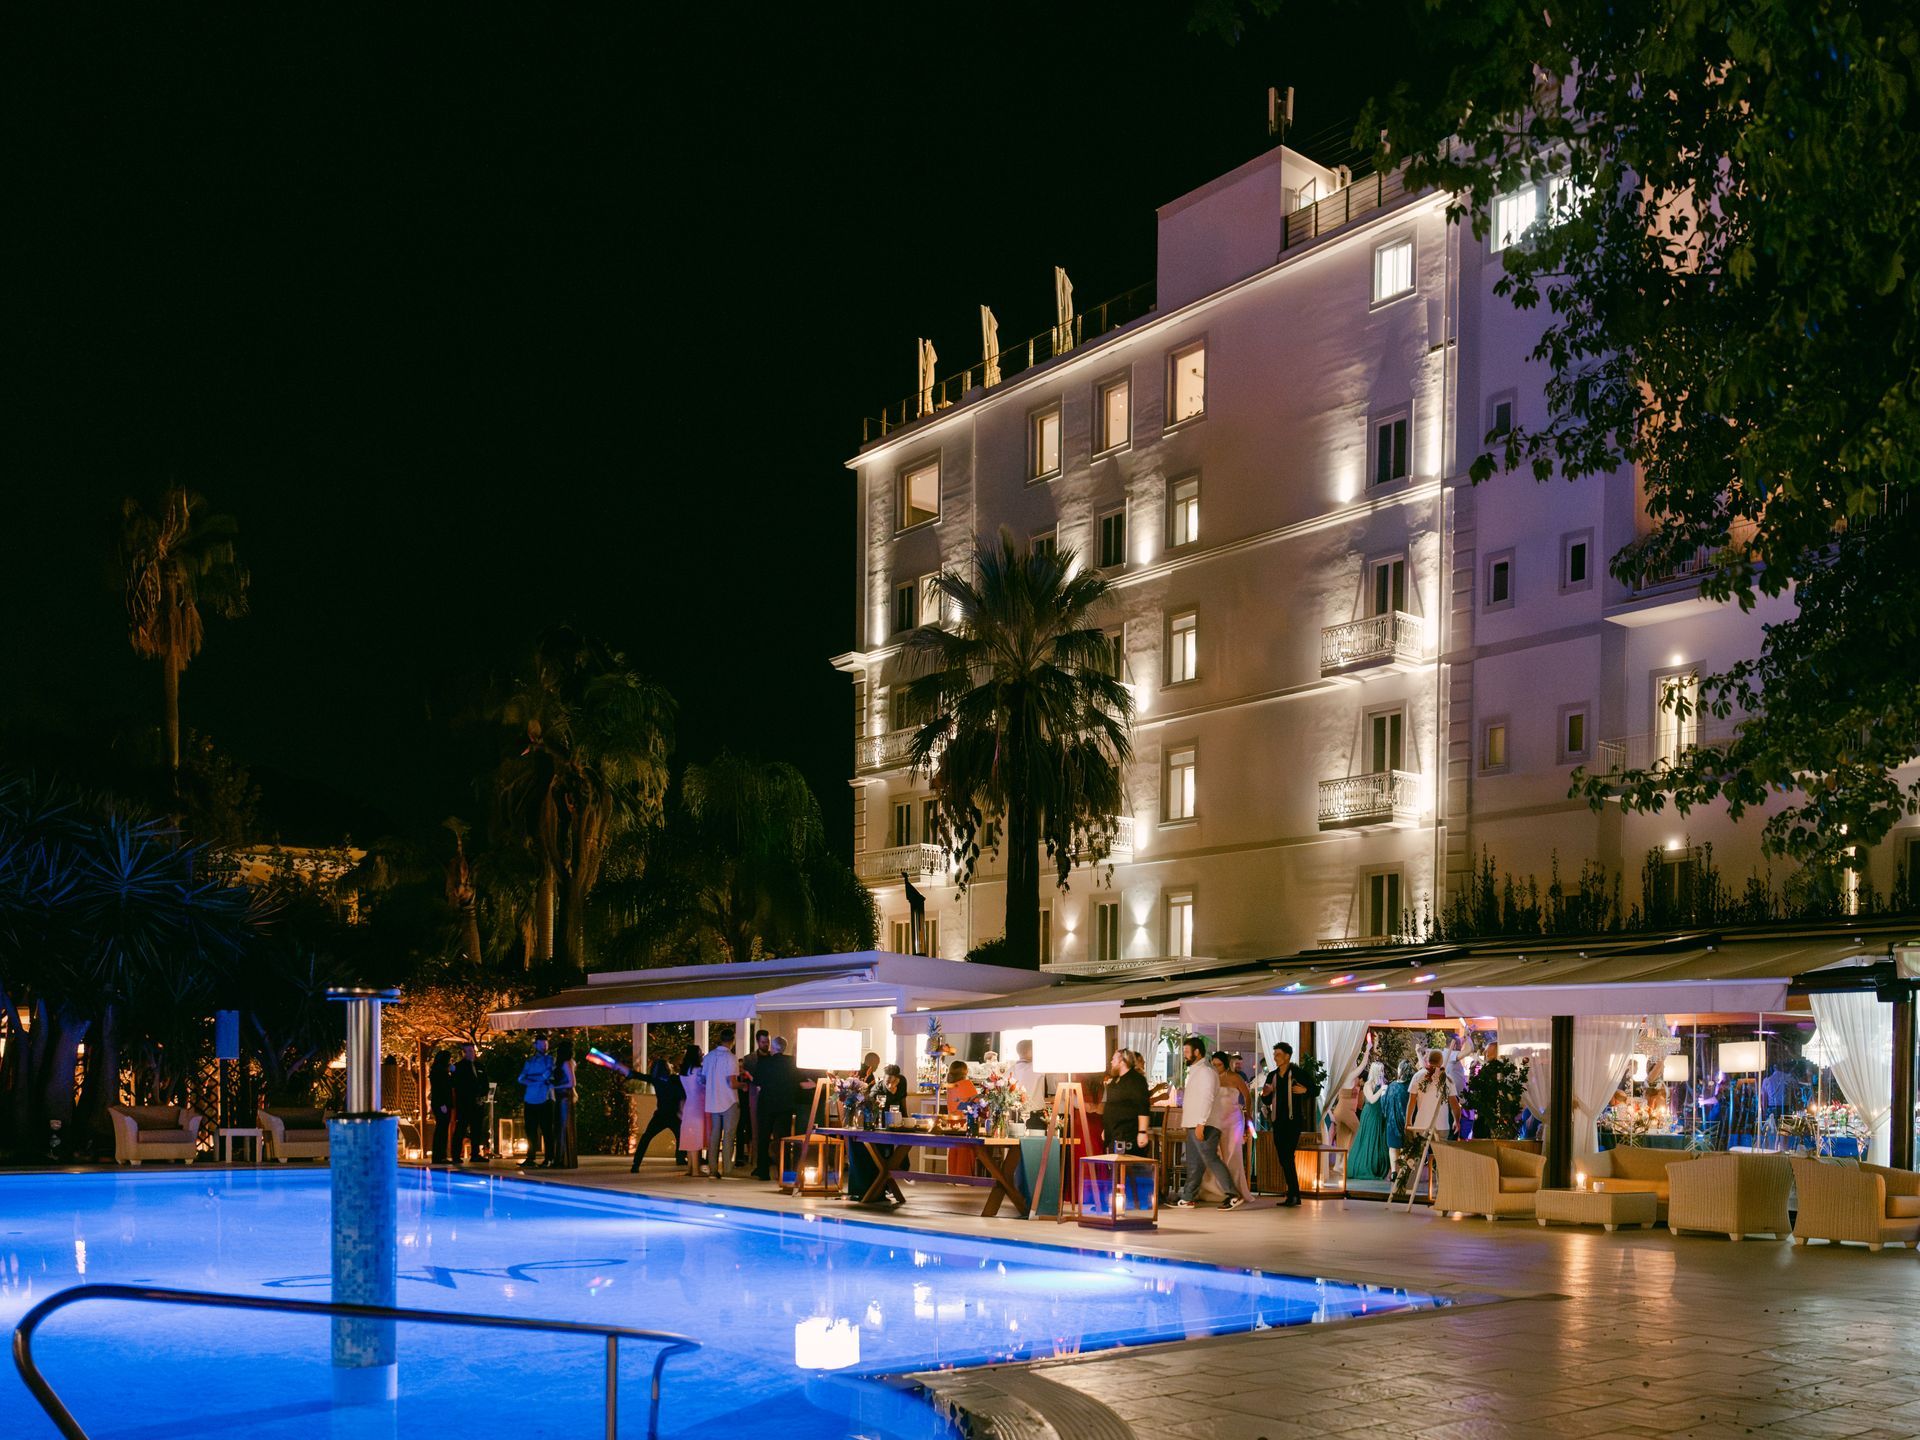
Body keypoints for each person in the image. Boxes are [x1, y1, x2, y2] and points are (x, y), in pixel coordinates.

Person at [1173, 1035, 1245, 1210]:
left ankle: (1233, 1194)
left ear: (1197, 1052)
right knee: (1194, 1162)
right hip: (1195, 1122)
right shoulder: (1198, 1071)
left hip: (1205, 1123)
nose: (1185, 1055)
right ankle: (1188, 1196)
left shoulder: (1206, 1071)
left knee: (1210, 1158)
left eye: (1187, 1052)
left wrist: (1201, 1122)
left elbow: (1207, 1097)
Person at [1260, 1041, 1311, 1206]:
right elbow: (1266, 1099)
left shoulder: (1297, 1073)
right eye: (1274, 1054)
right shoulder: (1272, 1076)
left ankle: (1294, 1194)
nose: (1275, 1058)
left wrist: (1306, 1090)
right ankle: (1293, 1194)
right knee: (1284, 1158)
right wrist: (1265, 1094)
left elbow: (1314, 1089)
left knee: (1287, 1156)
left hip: (1293, 1121)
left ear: (1287, 1056)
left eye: (1278, 1054)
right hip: (1277, 1122)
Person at [750, 1036, 802, 1182]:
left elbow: (757, 1081)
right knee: (783, 1139)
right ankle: (784, 1171)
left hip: (766, 1104)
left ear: (773, 1048)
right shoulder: (792, 1062)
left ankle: (763, 1170)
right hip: (785, 1105)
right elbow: (797, 1081)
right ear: (784, 1048)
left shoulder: (764, 1062)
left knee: (764, 1137)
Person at [629, 1055, 683, 1172]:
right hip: (674, 1115)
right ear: (667, 1068)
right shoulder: (674, 1079)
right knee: (681, 1138)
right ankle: (680, 1159)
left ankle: (636, 1164)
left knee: (646, 1137)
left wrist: (630, 1073)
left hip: (661, 1115)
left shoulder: (656, 1080)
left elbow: (641, 1076)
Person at [701, 1035, 741, 1178]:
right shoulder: (731, 1058)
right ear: (732, 1040)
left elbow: (703, 1079)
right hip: (729, 1100)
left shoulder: (708, 1057)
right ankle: (727, 1169)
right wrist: (744, 1084)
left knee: (714, 1136)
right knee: (729, 1136)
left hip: (712, 1101)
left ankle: (712, 1169)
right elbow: (732, 1083)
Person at [1103, 1050, 1152, 1157]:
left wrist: (1142, 1132)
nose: (1111, 1062)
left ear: (1122, 1061)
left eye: (1114, 1059)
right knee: (1114, 1170)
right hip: (1114, 1135)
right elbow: (1110, 1107)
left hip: (1128, 1135)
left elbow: (1143, 1106)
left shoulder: (1136, 1080)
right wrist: (1106, 1129)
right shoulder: (1114, 1081)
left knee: (1129, 1170)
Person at [1348, 1061, 1390, 1180]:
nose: (1382, 1073)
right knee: (1369, 1138)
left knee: (1378, 1140)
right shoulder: (1368, 1084)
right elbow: (1371, 1099)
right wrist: (1381, 1090)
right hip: (1370, 1114)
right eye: (1380, 1070)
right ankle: (1364, 1166)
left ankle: (1378, 1166)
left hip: (1379, 1114)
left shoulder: (1382, 1083)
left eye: (1383, 1070)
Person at [517, 1038, 554, 1168]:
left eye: (545, 1044)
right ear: (535, 1045)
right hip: (530, 1099)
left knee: (547, 1130)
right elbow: (521, 1078)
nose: (544, 1046)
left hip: (544, 1098)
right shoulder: (530, 1060)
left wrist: (532, 1078)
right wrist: (539, 1078)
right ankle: (530, 1157)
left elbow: (547, 1075)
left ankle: (549, 1158)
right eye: (541, 1044)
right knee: (530, 1130)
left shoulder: (549, 1059)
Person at [450, 1042, 488, 1163]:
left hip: (478, 1103)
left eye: (472, 1051)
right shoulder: (459, 1067)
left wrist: (482, 1095)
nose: (470, 1053)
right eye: (467, 1051)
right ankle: (456, 1155)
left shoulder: (479, 1066)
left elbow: (485, 1082)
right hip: (465, 1104)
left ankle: (475, 1154)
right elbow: (458, 1084)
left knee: (477, 1129)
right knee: (461, 1128)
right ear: (463, 1053)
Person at [676, 1045, 708, 1177]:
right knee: (696, 1137)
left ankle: (690, 1168)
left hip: (689, 1104)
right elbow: (704, 1085)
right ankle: (696, 1170)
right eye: (700, 1053)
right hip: (698, 1105)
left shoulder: (684, 1071)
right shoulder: (698, 1070)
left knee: (689, 1137)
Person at [547, 1038, 579, 1169]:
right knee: (561, 1126)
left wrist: (556, 1086)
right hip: (563, 1096)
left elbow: (572, 1082)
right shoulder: (565, 1063)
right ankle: (561, 1158)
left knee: (563, 1127)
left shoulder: (567, 1063)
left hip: (565, 1096)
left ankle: (561, 1159)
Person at [944, 1059, 978, 1176]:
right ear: (966, 1071)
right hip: (965, 1122)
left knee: (954, 1151)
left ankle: (952, 1175)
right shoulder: (968, 1084)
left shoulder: (950, 1085)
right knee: (965, 1151)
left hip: (952, 1122)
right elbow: (977, 1102)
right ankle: (964, 1177)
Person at [1384, 1059, 1413, 1180]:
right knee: (1404, 1147)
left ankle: (1394, 1172)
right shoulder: (1411, 1086)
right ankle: (1401, 1171)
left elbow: (1385, 1103)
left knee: (1392, 1147)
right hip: (1406, 1121)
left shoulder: (1392, 1086)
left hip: (1392, 1121)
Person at [427, 1050, 454, 1164]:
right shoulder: (439, 1073)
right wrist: (442, 1104)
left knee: (442, 1129)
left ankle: (440, 1155)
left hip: (441, 1103)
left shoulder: (438, 1071)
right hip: (441, 1103)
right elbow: (439, 1089)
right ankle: (439, 1156)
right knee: (441, 1129)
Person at [1008, 1039, 1041, 1127]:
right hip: (1035, 1115)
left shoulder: (1010, 1070)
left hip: (1015, 1115)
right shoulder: (1038, 1068)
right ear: (1028, 1051)